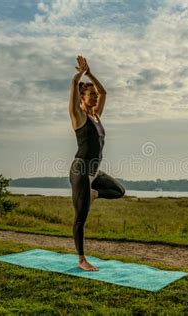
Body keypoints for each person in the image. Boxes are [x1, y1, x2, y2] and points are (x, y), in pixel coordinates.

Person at [68, 55, 126, 271]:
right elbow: (74, 86)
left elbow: (104, 92)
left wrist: (90, 73)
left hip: (94, 171)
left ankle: (94, 194)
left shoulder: (96, 116)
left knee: (119, 190)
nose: (94, 98)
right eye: (90, 96)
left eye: (94, 96)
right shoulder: (78, 116)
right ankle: (82, 259)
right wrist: (78, 77)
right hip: (81, 170)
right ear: (82, 98)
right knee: (81, 217)